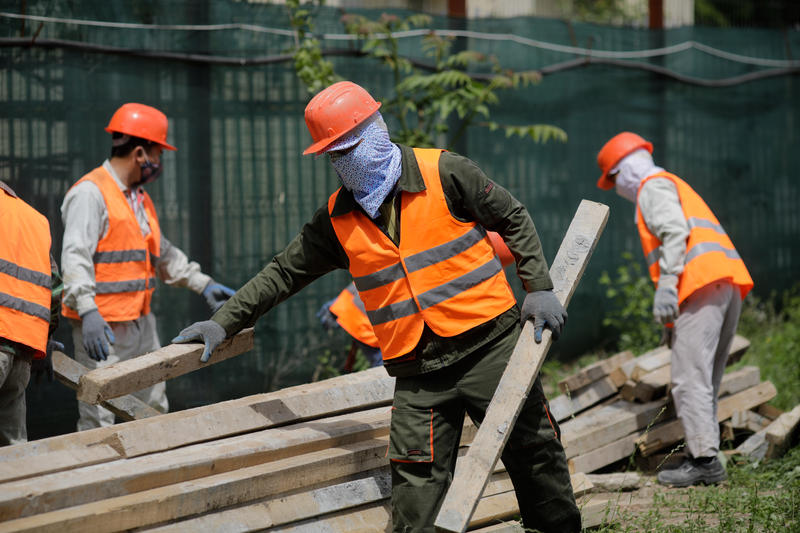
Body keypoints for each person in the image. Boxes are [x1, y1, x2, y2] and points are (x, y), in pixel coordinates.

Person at [173, 81, 580, 532]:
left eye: (350, 148)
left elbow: (512, 216)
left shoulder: (444, 171)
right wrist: (223, 321)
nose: (344, 162)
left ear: (377, 133)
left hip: (491, 347)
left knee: (533, 450)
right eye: (334, 155)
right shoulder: (335, 219)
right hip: (418, 371)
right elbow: (283, 273)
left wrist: (538, 287)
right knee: (414, 483)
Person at [60, 103, 235, 431]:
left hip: (141, 324)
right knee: (99, 416)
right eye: (159, 153)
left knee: (151, 407)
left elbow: (161, 252)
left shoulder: (138, 198)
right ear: (140, 153)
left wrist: (201, 282)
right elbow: (75, 257)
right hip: (102, 330)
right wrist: (87, 311)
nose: (160, 162)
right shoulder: (90, 194)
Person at [595, 132, 753, 487]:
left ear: (624, 171)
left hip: (699, 285)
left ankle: (705, 462)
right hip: (722, 284)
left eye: (614, 179)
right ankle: (705, 453)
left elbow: (674, 231)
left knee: (688, 378)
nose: (616, 188)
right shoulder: (671, 182)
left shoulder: (652, 187)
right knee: (704, 377)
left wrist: (668, 286)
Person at [317, 233, 515, 371]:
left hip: (353, 307)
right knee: (386, 365)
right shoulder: (446, 262)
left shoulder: (453, 255)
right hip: (365, 316)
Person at [0, 181, 63, 446]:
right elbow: (55, 288)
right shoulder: (34, 219)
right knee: (14, 451)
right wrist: (43, 339)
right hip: (22, 355)